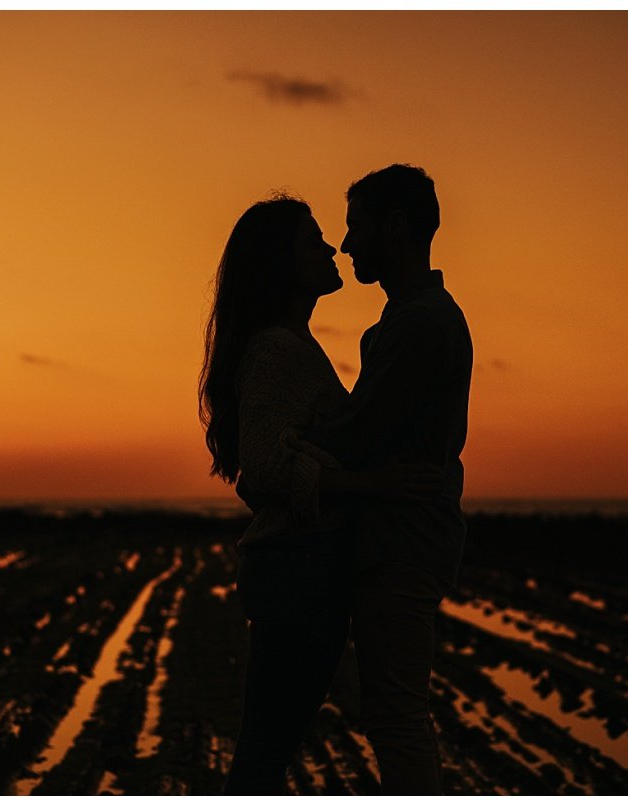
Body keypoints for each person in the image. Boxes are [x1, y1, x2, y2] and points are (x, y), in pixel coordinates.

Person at [198, 195, 439, 794]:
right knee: (262, 758)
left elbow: (277, 460)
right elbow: (264, 467)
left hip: (301, 574)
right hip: (296, 576)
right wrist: (372, 485)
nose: (332, 247)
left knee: (265, 753)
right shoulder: (280, 349)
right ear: (281, 263)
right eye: (313, 240)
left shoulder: (293, 345)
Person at [308, 164, 472, 795]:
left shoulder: (419, 323)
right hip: (399, 537)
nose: (346, 245)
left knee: (396, 715)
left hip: (404, 540)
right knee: (393, 710)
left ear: (395, 228)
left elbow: (355, 432)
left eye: (356, 227)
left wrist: (281, 443)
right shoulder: (412, 318)